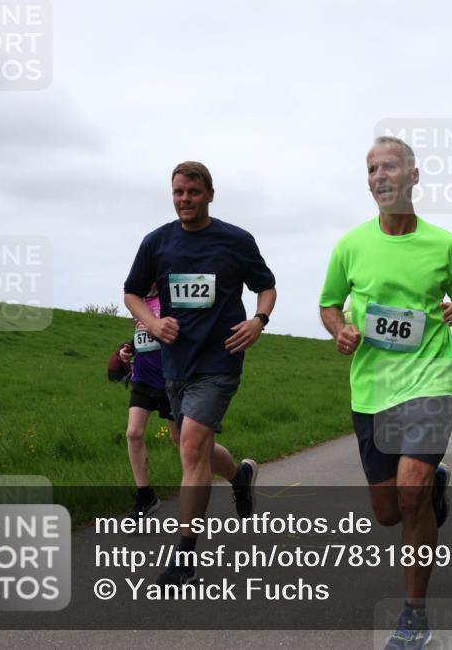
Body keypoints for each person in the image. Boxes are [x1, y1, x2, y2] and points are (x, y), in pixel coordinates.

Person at [319, 137, 452, 650]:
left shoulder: (445, 245)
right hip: (371, 392)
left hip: (431, 382)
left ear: (413, 175)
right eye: (371, 169)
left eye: (390, 167)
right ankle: (433, 490)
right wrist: (338, 330)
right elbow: (328, 305)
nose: (379, 176)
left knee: (410, 495)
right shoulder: (350, 246)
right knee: (389, 512)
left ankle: (414, 615)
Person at [124, 161, 277, 586]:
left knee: (190, 448)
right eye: (177, 192)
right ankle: (240, 474)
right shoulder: (157, 243)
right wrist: (152, 324)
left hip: (221, 359)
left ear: (210, 194)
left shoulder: (235, 241)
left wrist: (258, 321)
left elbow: (266, 285)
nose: (184, 199)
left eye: (192, 192)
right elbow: (132, 292)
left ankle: (184, 557)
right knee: (188, 444)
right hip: (176, 363)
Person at [118, 283, 180, 520]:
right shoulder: (138, 300)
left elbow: (179, 334)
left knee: (181, 439)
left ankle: (233, 474)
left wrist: (155, 329)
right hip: (143, 378)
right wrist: (128, 349)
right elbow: (142, 336)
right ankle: (146, 497)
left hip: (170, 379)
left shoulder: (171, 298)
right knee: (133, 433)